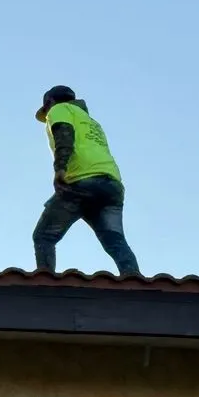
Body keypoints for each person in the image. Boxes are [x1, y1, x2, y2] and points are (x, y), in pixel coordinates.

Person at [32, 85, 140, 276]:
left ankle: (44, 287)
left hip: (83, 181)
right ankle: (134, 281)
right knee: (115, 241)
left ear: (49, 102)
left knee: (44, 236)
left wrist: (60, 169)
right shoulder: (91, 122)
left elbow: (64, 136)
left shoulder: (59, 110)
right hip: (112, 185)